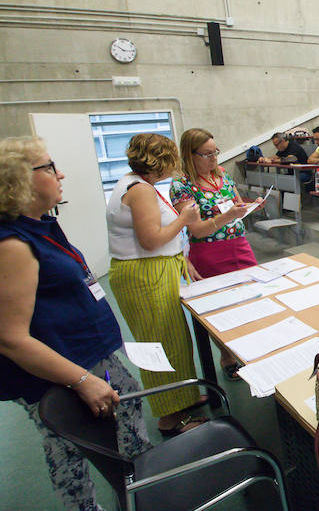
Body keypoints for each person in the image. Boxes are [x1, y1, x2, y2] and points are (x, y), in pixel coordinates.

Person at [0, 136, 151, 511]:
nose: (61, 173)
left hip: (85, 352)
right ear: (20, 180)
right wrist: (81, 380)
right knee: (69, 445)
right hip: (60, 368)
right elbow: (11, 339)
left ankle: (142, 484)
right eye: (50, 167)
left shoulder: (40, 224)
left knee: (125, 402)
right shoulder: (13, 245)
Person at [105, 134, 210, 435]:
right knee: (159, 342)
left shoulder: (136, 184)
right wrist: (185, 218)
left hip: (154, 271)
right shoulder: (139, 191)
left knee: (174, 338)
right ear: (161, 160)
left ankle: (183, 397)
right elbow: (151, 240)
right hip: (144, 275)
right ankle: (170, 416)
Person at [170, 128, 261, 379]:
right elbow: (196, 229)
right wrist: (227, 216)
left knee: (253, 296)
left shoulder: (221, 174)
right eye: (206, 154)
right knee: (220, 307)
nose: (214, 159)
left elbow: (237, 205)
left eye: (215, 152)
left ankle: (252, 347)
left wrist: (248, 207)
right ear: (190, 155)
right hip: (209, 251)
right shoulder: (182, 185)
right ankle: (227, 354)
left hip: (238, 244)